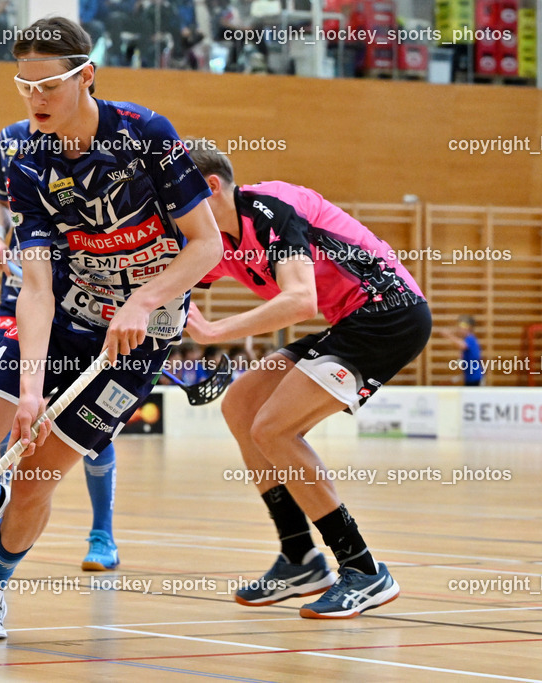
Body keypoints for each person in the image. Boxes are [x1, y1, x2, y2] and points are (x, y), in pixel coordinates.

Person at [0, 16, 222, 641]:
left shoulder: (147, 135)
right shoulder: (27, 157)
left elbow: (206, 245)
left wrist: (146, 300)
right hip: (70, 313)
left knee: (36, 479)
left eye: (48, 84)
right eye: (24, 85)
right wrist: (28, 393)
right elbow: (40, 286)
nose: (35, 98)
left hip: (140, 334)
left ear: (87, 77)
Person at [184, 141, 431, 618]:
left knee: (273, 428)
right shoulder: (217, 241)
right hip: (349, 321)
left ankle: (362, 569)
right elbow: (167, 285)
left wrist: (213, 332)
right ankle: (300, 557)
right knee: (241, 405)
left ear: (211, 187)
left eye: (180, 198)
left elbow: (300, 301)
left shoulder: (270, 209)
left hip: (389, 311)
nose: (175, 213)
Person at [0, 115, 121, 571]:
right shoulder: (10, 138)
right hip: (22, 294)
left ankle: (102, 533)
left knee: (87, 427)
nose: (37, 96)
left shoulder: (103, 143)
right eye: (28, 85)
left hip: (87, 300)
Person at [440, 315, 483, 386]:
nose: (460, 330)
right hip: (469, 377)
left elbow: (462, 345)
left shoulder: (470, 339)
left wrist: (449, 336)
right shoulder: (467, 339)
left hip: (475, 378)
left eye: (462, 328)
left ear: (469, 328)